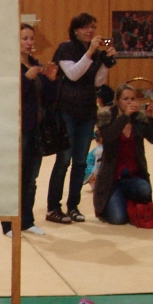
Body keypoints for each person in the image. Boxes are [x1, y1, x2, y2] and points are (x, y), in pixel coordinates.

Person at [46, 12, 117, 224]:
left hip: (87, 111)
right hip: (66, 110)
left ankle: (73, 206)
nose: (90, 31)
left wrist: (105, 63)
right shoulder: (66, 48)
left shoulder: (95, 53)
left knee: (79, 161)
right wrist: (91, 52)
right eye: (85, 27)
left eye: (93, 27)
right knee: (63, 160)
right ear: (76, 30)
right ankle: (53, 207)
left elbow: (97, 82)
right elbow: (73, 74)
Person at [2, 23, 57, 237]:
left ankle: (27, 220)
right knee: (15, 178)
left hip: (36, 129)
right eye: (24, 38)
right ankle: (9, 225)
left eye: (31, 38)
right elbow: (8, 97)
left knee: (31, 178)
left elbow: (49, 99)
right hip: (18, 130)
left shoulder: (36, 64)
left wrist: (51, 80)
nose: (29, 42)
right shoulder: (10, 66)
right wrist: (26, 80)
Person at [94, 84, 153, 225]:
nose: (130, 102)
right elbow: (108, 137)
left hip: (133, 176)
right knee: (118, 219)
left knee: (145, 189)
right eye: (125, 99)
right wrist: (125, 116)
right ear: (117, 101)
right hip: (112, 179)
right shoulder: (106, 115)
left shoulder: (139, 117)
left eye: (133, 99)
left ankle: (127, 199)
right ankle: (112, 200)